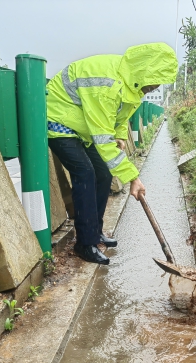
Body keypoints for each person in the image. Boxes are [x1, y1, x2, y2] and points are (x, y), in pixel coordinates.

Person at [46, 43, 178, 265]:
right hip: (59, 119)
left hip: (83, 124)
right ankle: (84, 244)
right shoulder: (107, 83)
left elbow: (120, 114)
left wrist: (119, 134)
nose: (155, 87)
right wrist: (133, 178)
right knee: (85, 173)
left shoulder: (132, 82)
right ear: (145, 71)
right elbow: (102, 139)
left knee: (104, 173)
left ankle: (95, 232)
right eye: (155, 81)